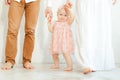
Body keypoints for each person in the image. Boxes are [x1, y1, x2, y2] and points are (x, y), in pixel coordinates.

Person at [75, 0, 117, 74]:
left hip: (101, 2)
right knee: (84, 30)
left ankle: (98, 62)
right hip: (85, 2)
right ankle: (85, 64)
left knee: (101, 29)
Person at [1, 0, 40, 70]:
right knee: (12, 30)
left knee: (30, 31)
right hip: (16, 1)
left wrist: (49, 5)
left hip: (34, 1)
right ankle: (9, 60)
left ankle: (27, 60)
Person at [47, 2, 74, 71]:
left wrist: (69, 9)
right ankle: (56, 64)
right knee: (54, 53)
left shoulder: (67, 22)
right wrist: (49, 22)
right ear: (57, 14)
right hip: (56, 41)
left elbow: (72, 17)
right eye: (61, 14)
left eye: (65, 15)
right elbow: (51, 30)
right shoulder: (55, 23)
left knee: (66, 53)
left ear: (67, 16)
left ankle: (70, 66)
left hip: (64, 41)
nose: (62, 16)